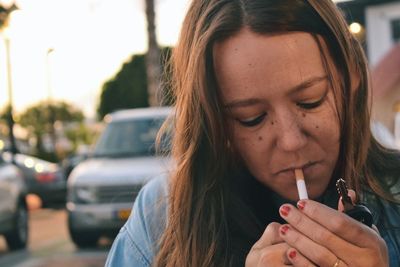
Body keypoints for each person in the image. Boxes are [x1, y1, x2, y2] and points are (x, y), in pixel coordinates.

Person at [105, 0, 400, 266]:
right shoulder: (163, 217)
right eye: (251, 118)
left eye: (311, 100)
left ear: (352, 75)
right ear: (215, 121)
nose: (290, 141)